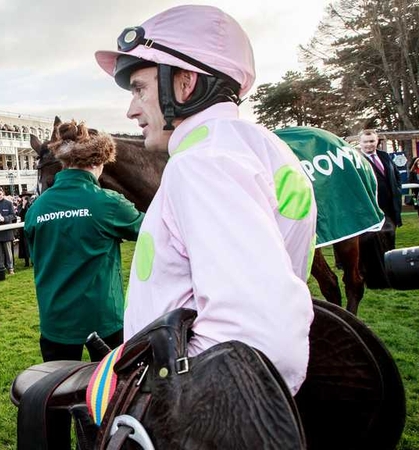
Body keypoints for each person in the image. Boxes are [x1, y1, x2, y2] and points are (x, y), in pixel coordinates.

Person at [94, 4, 316, 395]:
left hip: (196, 410)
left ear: (185, 82)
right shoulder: (255, 146)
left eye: (140, 89)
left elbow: (259, 337)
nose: (131, 110)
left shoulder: (203, 163)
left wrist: (170, 402)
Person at [25, 120, 144, 362]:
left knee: (58, 395)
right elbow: (153, 232)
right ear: (98, 162)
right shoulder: (107, 203)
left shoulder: (36, 208)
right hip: (103, 321)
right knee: (111, 394)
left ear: (63, 162)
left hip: (54, 321)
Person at [357, 129, 403, 288]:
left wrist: (397, 191)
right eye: (365, 142)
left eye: (372, 141)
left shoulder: (385, 156)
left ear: (377, 141)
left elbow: (396, 177)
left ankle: (392, 269)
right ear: (360, 143)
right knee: (373, 242)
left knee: (390, 238)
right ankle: (373, 274)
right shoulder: (357, 160)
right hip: (372, 210)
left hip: (391, 208)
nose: (369, 144)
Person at [0, 187, 16, 274]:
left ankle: (11, 268)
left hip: (6, 231)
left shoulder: (9, 203)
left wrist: (4, 219)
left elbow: (13, 215)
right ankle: (1, 269)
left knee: (8, 252)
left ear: (3, 194)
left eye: (0, 194)